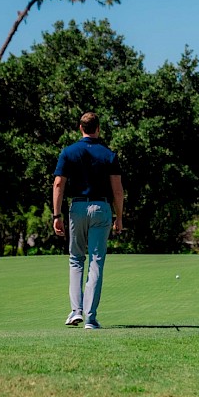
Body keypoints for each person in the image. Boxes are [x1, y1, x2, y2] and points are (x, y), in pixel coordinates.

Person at [53, 112, 124, 329]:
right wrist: (118, 216)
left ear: (80, 128)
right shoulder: (109, 154)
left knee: (76, 259)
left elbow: (58, 184)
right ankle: (90, 318)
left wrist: (56, 215)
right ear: (99, 129)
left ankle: (76, 311)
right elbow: (118, 190)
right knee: (96, 261)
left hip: (77, 207)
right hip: (102, 207)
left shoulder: (69, 152)